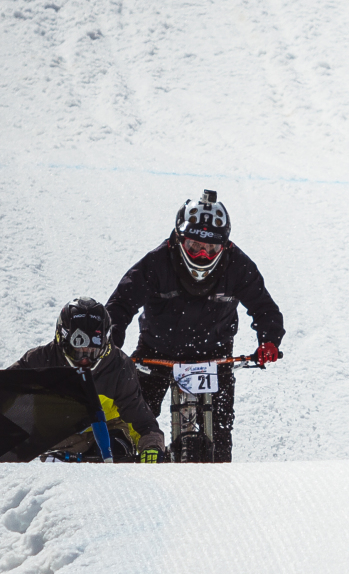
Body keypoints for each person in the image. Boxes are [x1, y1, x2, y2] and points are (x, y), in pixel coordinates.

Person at [107, 190, 284, 463]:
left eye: (211, 248)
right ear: (178, 238)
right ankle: (130, 478)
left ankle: (220, 486)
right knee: (133, 425)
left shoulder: (239, 266)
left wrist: (269, 340)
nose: (202, 254)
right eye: (194, 246)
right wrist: (111, 343)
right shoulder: (155, 264)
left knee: (221, 432)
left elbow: (264, 307)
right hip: (157, 353)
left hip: (215, 355)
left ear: (225, 246)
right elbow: (120, 304)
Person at [7, 298, 167, 462]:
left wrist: (151, 446)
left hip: (108, 441)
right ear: (62, 339)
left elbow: (141, 420)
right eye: (78, 348)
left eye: (93, 350)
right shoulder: (38, 361)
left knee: (117, 445)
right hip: (55, 442)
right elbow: (5, 392)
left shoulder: (119, 367)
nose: (85, 359)